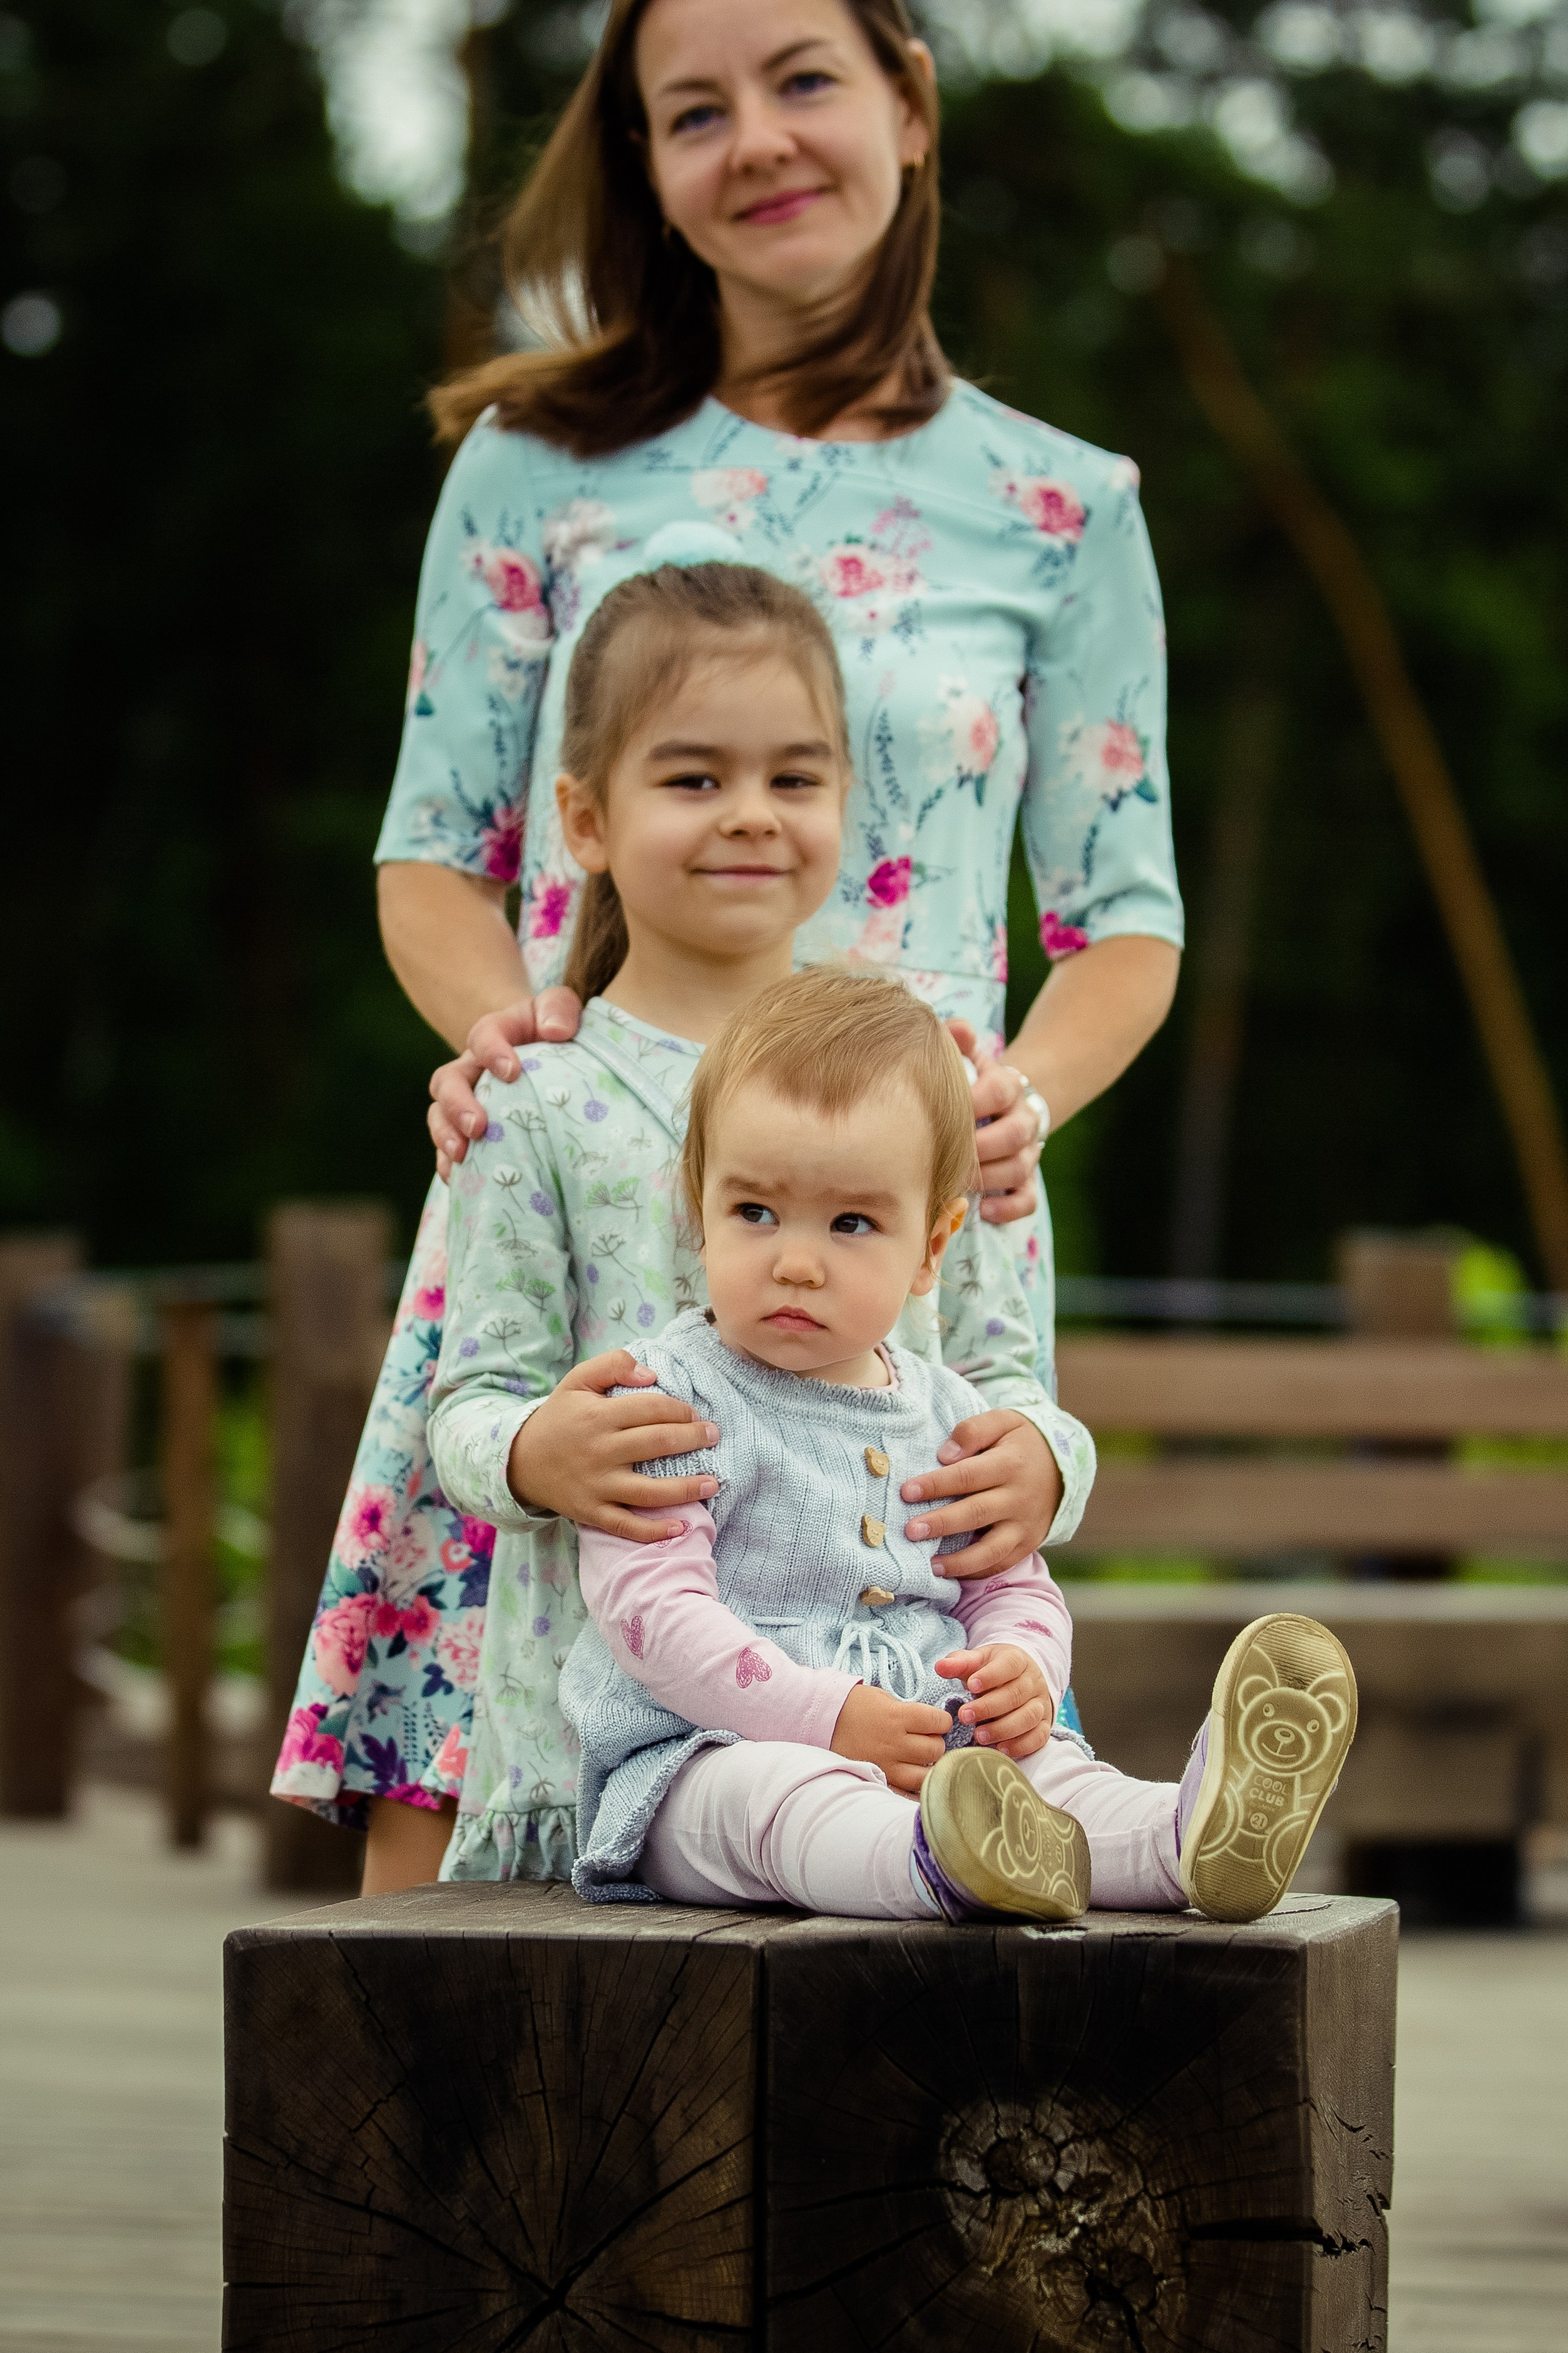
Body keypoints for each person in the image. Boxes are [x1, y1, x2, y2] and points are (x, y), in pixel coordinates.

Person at [272, 0, 1183, 1892]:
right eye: (694, 111)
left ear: (907, 106)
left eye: (802, 81)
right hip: (583, 1215)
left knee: (898, 1793)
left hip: (872, 1234)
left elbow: (1121, 926)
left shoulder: (1061, 508)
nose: (756, 139)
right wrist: (519, 1047)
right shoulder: (535, 466)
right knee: (479, 1900)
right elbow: (433, 858)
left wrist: (1003, 1103)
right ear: (649, 172)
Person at [419, 556, 1094, 1877]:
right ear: (587, 818)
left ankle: (1171, 1833)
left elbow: (1005, 1377)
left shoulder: (942, 1086)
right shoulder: (534, 1101)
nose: (748, 816)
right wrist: (534, 1452)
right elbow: (467, 1406)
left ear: (845, 801)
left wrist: (1046, 1463)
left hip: (912, 1711)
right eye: (691, 778)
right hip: (634, 1738)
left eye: (793, 779)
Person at [540, 967, 1359, 1925]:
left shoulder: (948, 1414)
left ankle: (1188, 1836)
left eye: (851, 1223)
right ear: (697, 1206)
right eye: (754, 1211)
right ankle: (937, 1858)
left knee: (1056, 1773)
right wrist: (830, 1718)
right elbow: (653, 1619)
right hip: (699, 1759)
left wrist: (1024, 1671)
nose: (794, 1259)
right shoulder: (663, 1398)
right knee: (776, 1801)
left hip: (940, 1746)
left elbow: (1010, 1586)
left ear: (931, 1247)